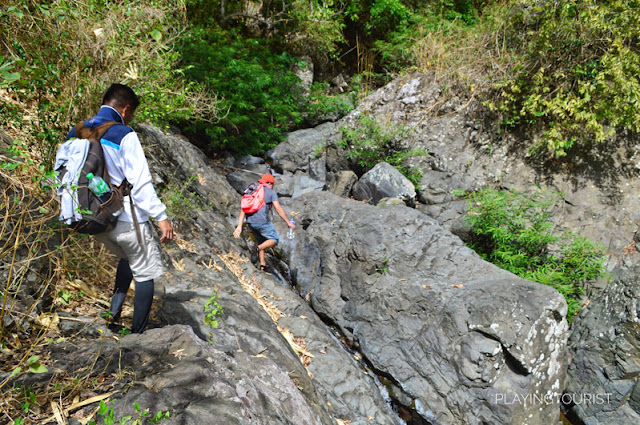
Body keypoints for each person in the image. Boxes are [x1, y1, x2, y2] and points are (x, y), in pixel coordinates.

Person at [66, 83, 173, 333]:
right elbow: (141, 182)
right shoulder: (124, 135)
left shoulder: (78, 130)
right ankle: (138, 335)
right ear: (125, 109)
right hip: (124, 217)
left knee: (128, 257)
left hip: (90, 218)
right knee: (145, 271)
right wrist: (161, 216)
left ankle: (112, 314)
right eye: (132, 113)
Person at [233, 174, 294, 270]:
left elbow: (243, 210)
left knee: (262, 241)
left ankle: (262, 264)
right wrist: (288, 222)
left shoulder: (253, 191)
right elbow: (278, 208)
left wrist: (239, 226)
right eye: (272, 184)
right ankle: (256, 249)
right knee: (274, 239)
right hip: (262, 222)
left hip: (250, 223)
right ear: (269, 183)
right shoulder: (271, 193)